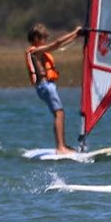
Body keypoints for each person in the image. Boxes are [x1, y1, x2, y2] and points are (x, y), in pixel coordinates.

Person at [25, 23, 83, 154]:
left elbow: (59, 45)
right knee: (59, 114)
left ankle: (62, 145)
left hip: (46, 86)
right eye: (44, 38)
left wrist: (76, 36)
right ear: (36, 38)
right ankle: (60, 147)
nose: (46, 40)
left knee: (59, 113)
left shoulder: (39, 50)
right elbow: (56, 43)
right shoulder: (35, 51)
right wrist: (75, 32)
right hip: (45, 86)